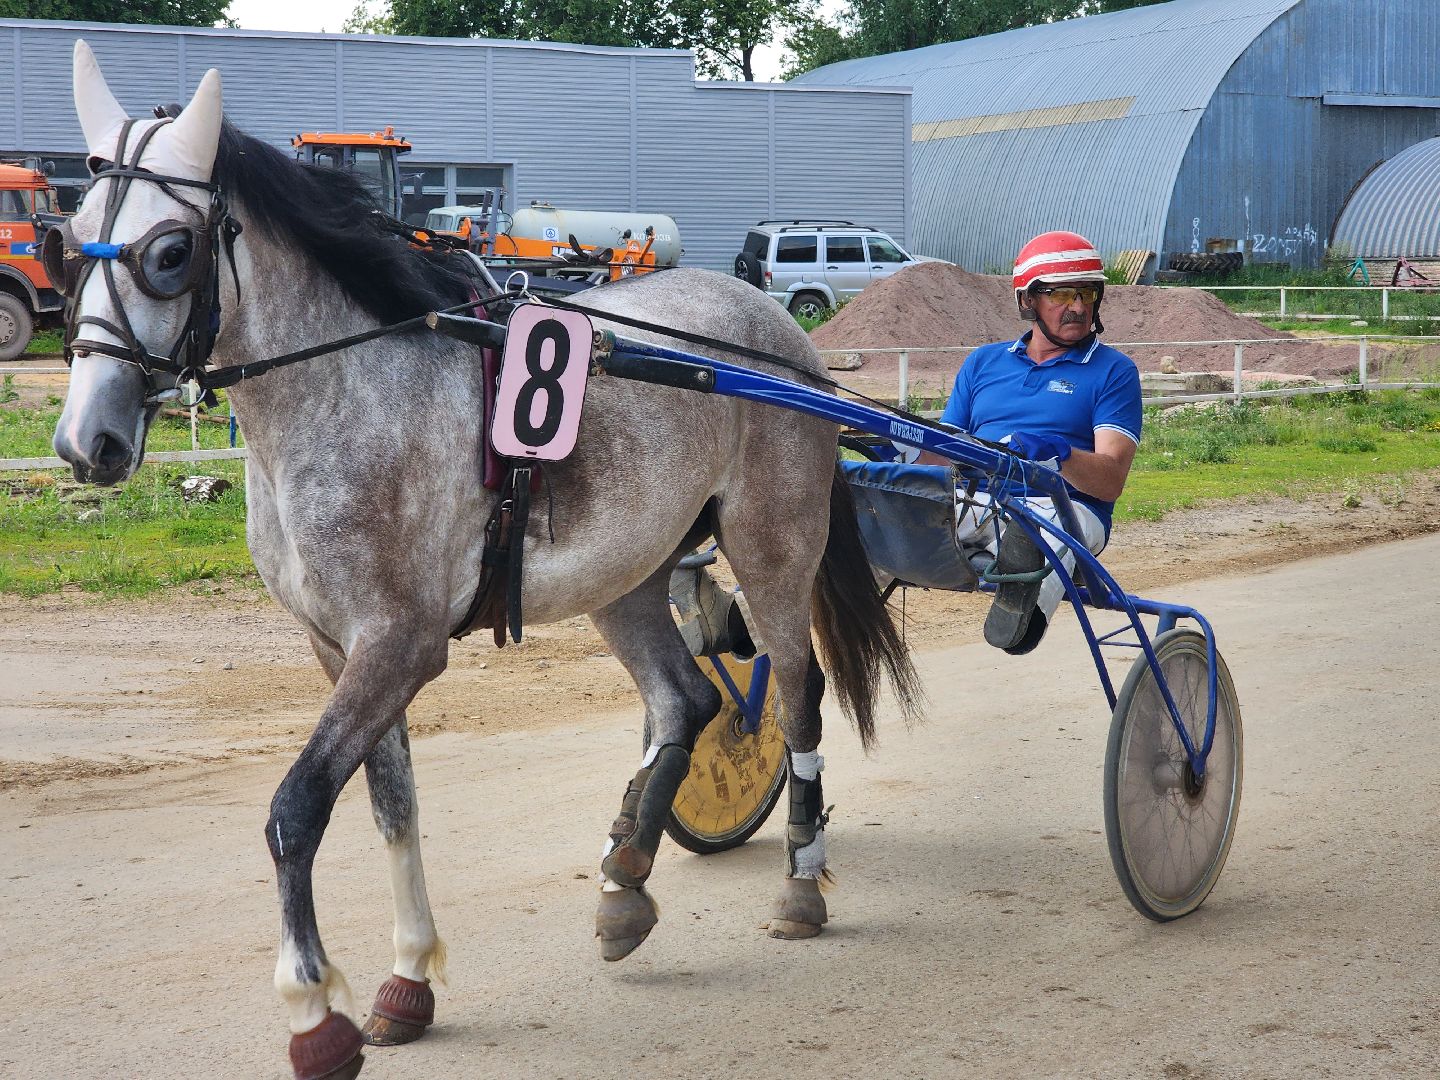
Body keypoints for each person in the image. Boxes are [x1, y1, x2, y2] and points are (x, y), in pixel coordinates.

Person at [921, 230, 1143, 655]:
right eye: (1061, 294)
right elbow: (942, 456)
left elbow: (1111, 480)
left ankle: (1024, 610)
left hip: (1067, 508)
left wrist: (1061, 453)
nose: (1078, 306)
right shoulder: (982, 363)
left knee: (1046, 526)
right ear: (1027, 300)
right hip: (977, 500)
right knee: (885, 508)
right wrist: (899, 456)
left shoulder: (1114, 372)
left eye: (1087, 293)